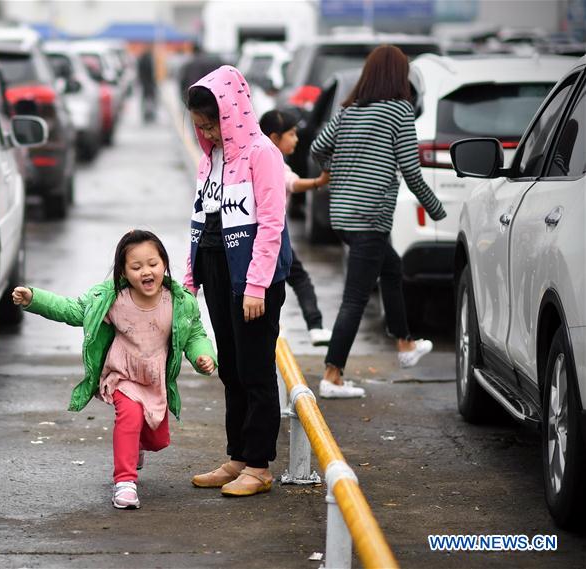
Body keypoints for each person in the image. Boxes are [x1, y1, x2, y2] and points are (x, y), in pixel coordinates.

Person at [11, 229, 217, 510]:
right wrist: (34, 299)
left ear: (164, 264)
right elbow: (73, 310)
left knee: (158, 440)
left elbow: (194, 335)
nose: (146, 271)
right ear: (123, 271)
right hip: (122, 376)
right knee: (129, 417)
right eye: (136, 267)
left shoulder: (178, 302)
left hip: (154, 381)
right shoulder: (113, 300)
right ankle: (125, 482)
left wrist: (203, 356)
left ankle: (136, 446)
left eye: (153, 264)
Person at [309, 45, 447, 399]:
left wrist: (334, 170)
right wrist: (438, 210)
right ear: (398, 77)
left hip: (343, 217)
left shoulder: (349, 110)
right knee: (355, 300)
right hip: (370, 218)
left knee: (392, 267)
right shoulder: (399, 111)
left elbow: (318, 147)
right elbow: (411, 171)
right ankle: (332, 376)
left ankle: (405, 344)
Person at [183, 65, 291, 497]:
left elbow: (272, 224)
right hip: (215, 268)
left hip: (251, 279)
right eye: (200, 127)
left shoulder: (262, 153)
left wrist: (256, 285)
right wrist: (190, 278)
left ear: (231, 113)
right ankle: (238, 457)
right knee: (230, 367)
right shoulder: (210, 158)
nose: (207, 133)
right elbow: (199, 220)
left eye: (211, 124)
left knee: (255, 369)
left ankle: (259, 466)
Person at [259, 108, 332, 347]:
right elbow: (293, 183)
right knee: (297, 279)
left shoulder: (261, 159)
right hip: (274, 237)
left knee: (283, 280)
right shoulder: (272, 163)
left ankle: (306, 326)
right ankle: (315, 327)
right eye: (291, 134)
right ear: (274, 137)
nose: (296, 139)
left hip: (265, 236)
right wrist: (319, 182)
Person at [137, 48, 157, 123]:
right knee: (150, 98)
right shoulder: (149, 60)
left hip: (144, 82)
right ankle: (150, 113)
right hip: (149, 82)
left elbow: (139, 72)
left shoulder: (141, 60)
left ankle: (146, 113)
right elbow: (151, 73)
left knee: (145, 98)